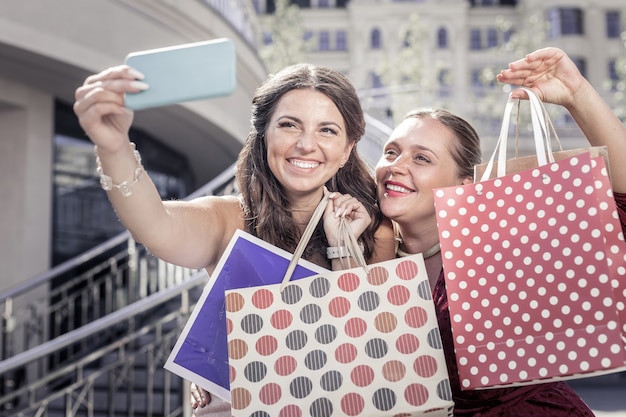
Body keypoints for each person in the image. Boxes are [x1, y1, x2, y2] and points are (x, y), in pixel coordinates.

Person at [74, 62, 397, 414]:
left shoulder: (370, 231)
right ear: (264, 135)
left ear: (347, 150)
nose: (306, 145)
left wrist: (342, 248)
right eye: (289, 125)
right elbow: (156, 224)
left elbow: (370, 350)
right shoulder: (230, 220)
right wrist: (113, 147)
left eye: (327, 131)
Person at [375, 46, 625, 416]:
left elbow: (621, 205)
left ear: (463, 185)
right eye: (391, 152)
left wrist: (577, 95)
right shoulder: (368, 254)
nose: (396, 166)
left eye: (422, 158)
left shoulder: (497, 247)